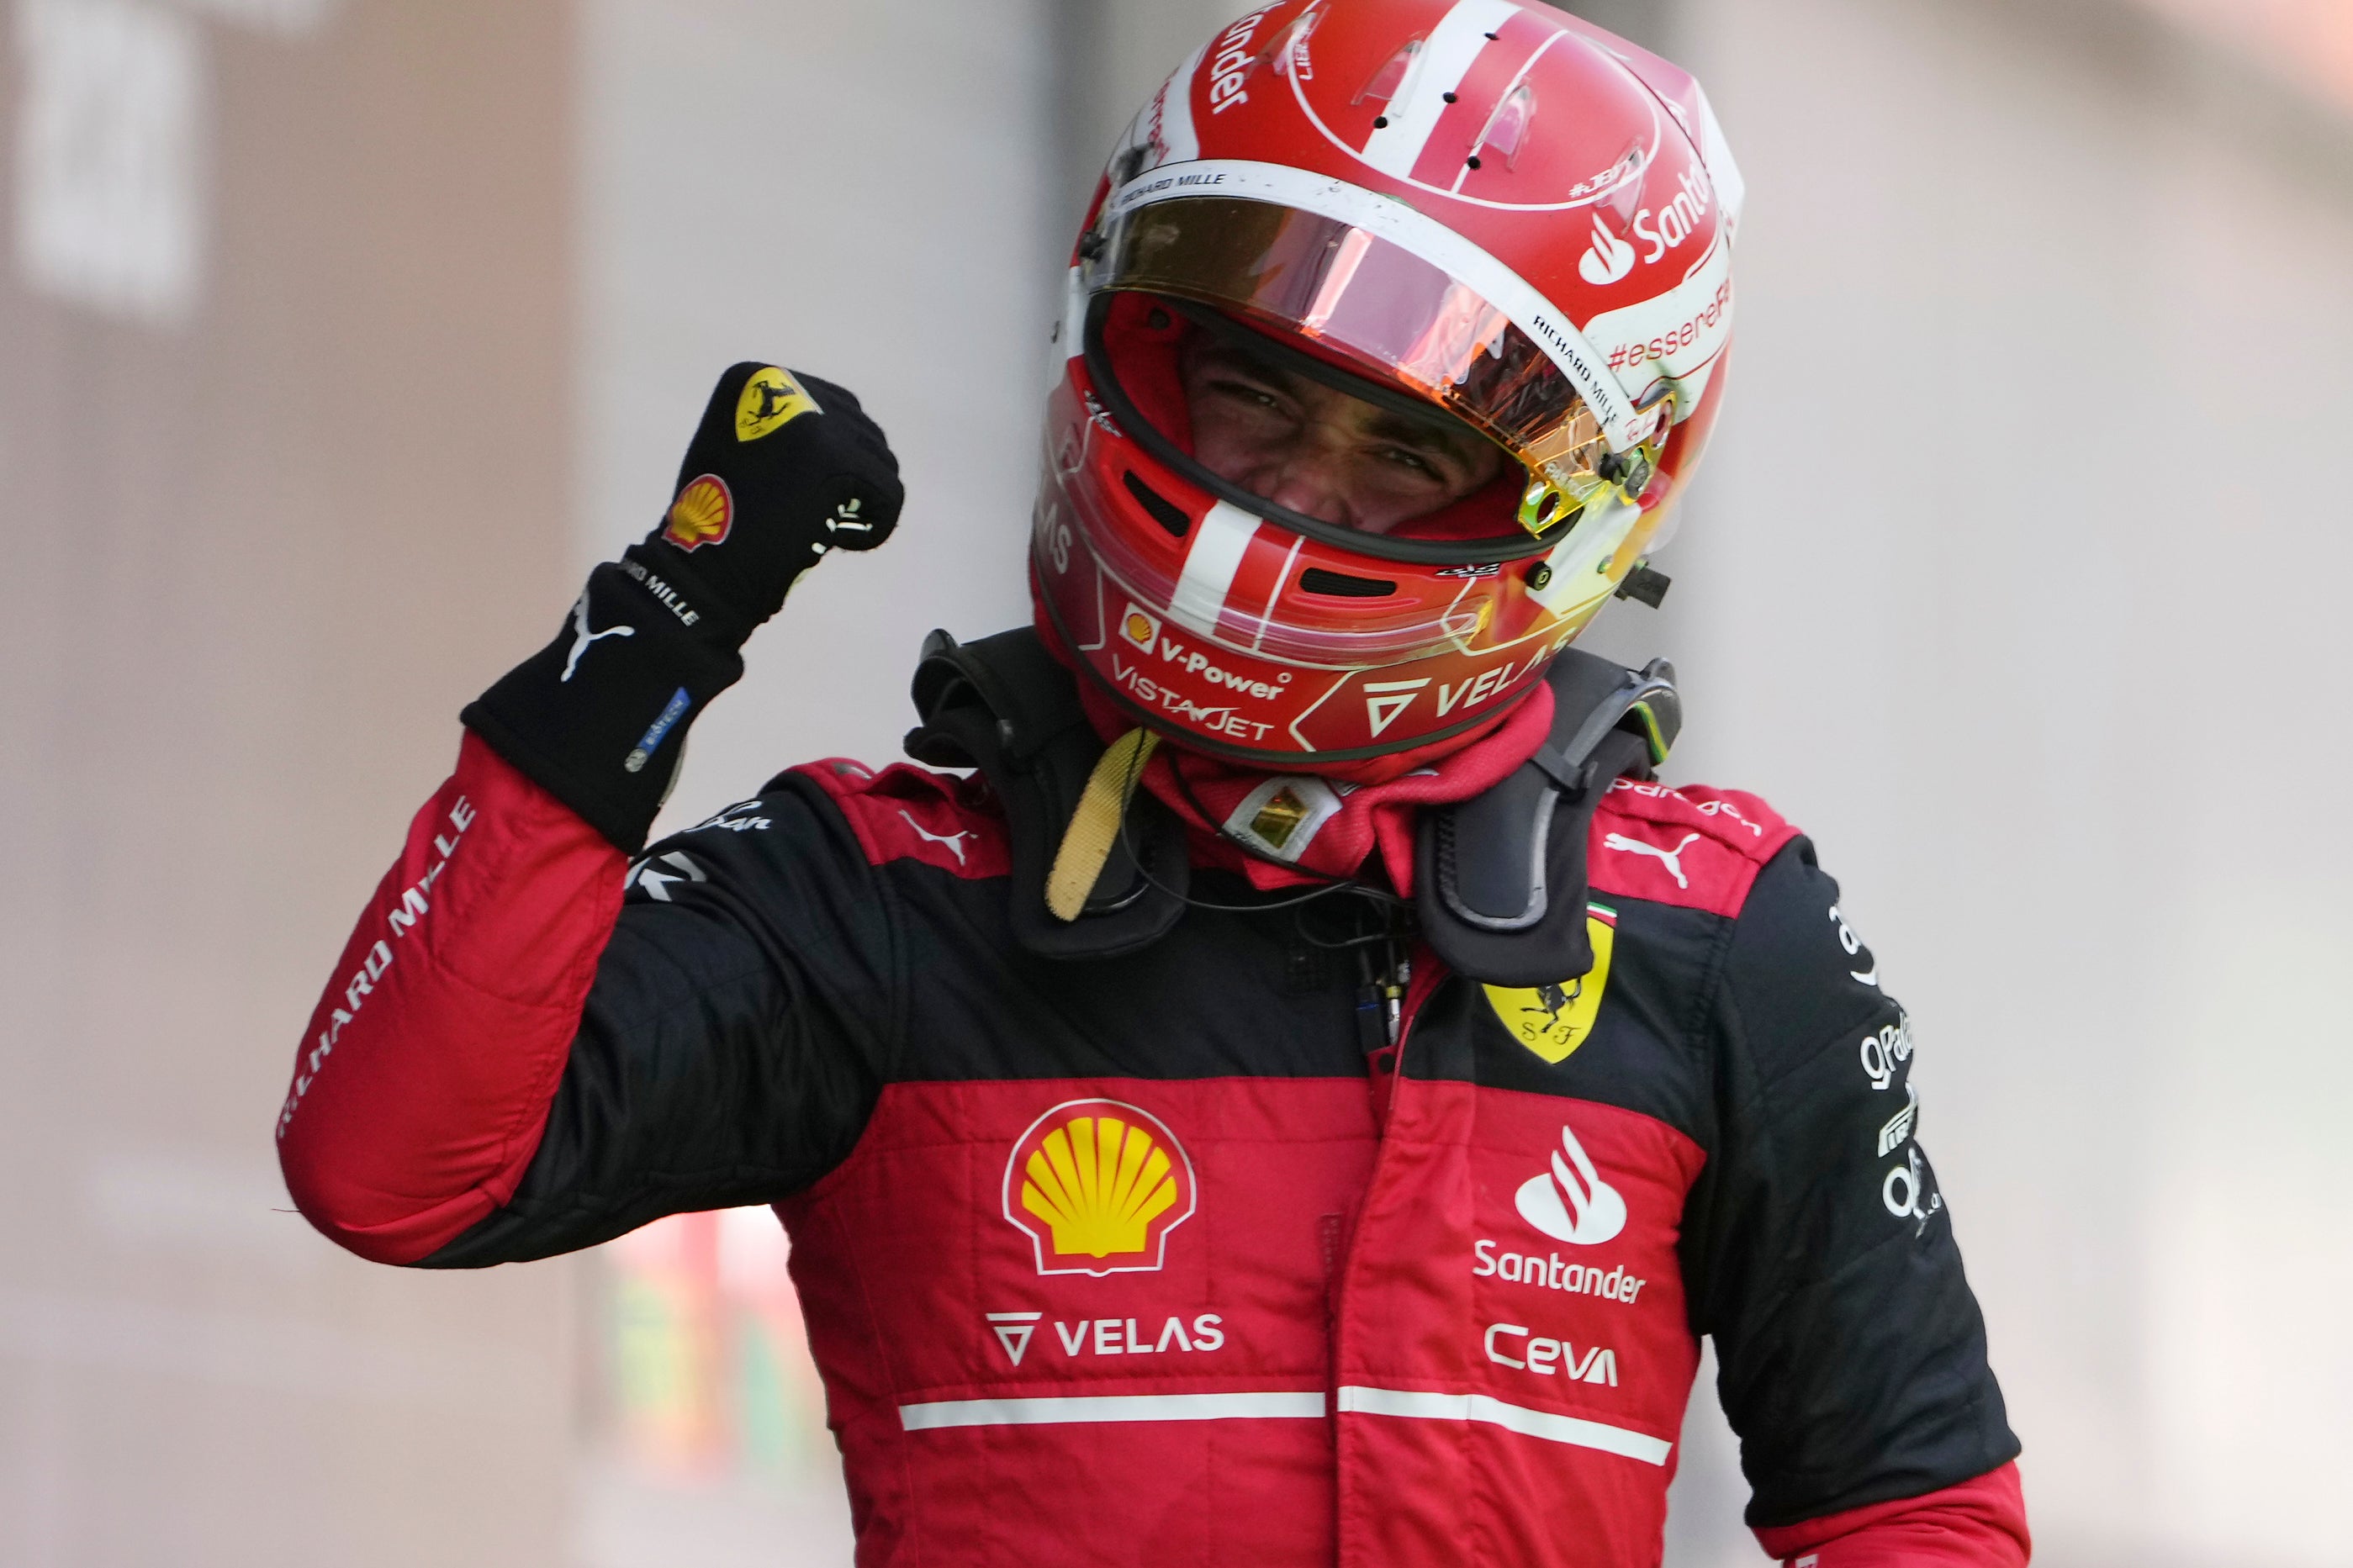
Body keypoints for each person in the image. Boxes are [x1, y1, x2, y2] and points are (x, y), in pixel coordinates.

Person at [277, 3, 2030, 1563]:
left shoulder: (1719, 930)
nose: (1295, 491)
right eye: (1254, 388)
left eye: (1408, 453)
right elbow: (394, 1169)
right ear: (1119, 327)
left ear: (1584, 513)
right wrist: (661, 621)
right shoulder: (882, 895)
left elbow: (1915, 1509)